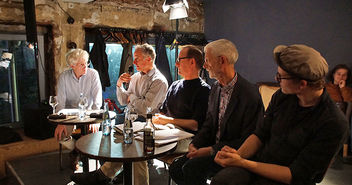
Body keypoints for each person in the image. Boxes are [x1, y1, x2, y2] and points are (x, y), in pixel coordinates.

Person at [211, 44, 348, 185]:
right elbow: (260, 134)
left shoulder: (333, 122)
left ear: (302, 84)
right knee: (222, 181)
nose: (277, 80)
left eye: (280, 77)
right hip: (260, 163)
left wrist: (243, 163)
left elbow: (296, 175)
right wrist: (236, 156)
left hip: (287, 178)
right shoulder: (282, 96)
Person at [169, 39, 264, 185]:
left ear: (222, 60)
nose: (205, 65)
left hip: (233, 153)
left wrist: (210, 150)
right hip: (212, 148)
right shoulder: (215, 88)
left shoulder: (249, 94)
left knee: (191, 168)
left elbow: (249, 138)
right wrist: (195, 144)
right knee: (175, 168)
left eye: (207, 60)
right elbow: (209, 123)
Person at [71, 43, 168, 185]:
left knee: (135, 149)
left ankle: (103, 175)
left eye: (137, 58)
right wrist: (119, 84)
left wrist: (132, 98)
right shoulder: (135, 77)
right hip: (130, 118)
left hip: (148, 122)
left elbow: (145, 108)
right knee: (107, 138)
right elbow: (123, 100)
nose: (134, 62)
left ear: (149, 59)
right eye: (134, 58)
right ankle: (106, 174)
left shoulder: (159, 81)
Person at [153, 45, 211, 152]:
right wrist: (157, 119)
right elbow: (163, 112)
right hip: (168, 131)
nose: (176, 64)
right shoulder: (174, 85)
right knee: (141, 138)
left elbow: (195, 125)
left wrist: (167, 120)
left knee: (149, 146)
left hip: (188, 138)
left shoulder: (204, 90)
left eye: (179, 60)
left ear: (192, 62)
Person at [54, 48, 102, 151]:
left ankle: (83, 154)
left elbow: (97, 100)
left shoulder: (93, 74)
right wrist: (61, 122)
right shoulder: (63, 77)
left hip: (90, 114)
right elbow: (60, 102)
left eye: (86, 63)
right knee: (61, 135)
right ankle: (77, 151)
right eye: (82, 64)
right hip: (70, 114)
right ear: (72, 66)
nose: (86, 66)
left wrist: (95, 120)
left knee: (95, 134)